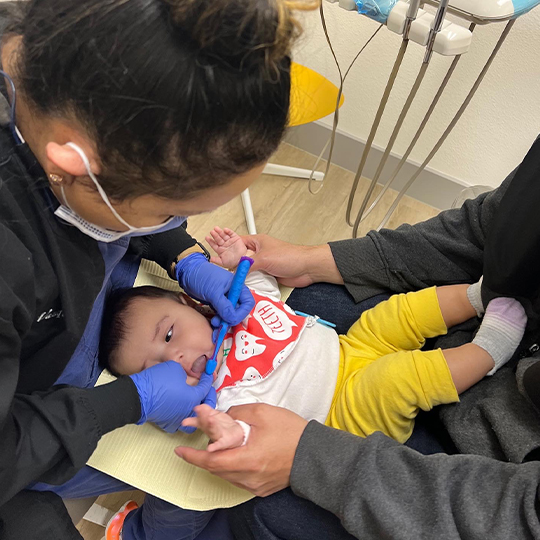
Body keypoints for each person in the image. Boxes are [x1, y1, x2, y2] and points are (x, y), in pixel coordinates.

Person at [0, 0, 317, 538]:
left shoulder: (64, 57)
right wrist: (131, 399)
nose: (174, 223)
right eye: (168, 212)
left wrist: (184, 255)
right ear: (72, 164)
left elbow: (134, 193)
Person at [176, 137, 540, 539]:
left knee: (394, 321)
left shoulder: (239, 312)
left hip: (497, 478)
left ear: (189, 305)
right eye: (155, 361)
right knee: (394, 353)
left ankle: (484, 330)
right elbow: (238, 426)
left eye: (169, 332)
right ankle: (482, 329)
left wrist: (235, 262)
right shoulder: (220, 389)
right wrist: (311, 260)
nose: (176, 354)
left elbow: (255, 284)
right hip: (346, 408)